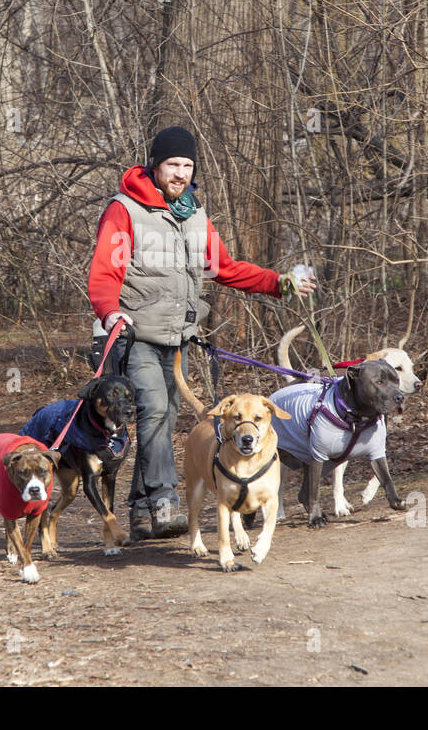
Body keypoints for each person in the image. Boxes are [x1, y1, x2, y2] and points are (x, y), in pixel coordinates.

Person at [87, 126, 317, 540]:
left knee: (164, 417)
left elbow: (224, 268)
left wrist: (278, 283)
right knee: (154, 412)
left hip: (179, 338)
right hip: (135, 334)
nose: (180, 173)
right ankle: (162, 502)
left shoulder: (194, 213)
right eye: (173, 164)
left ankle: (141, 509)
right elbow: (105, 270)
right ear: (155, 165)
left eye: (187, 166)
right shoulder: (125, 210)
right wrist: (109, 313)